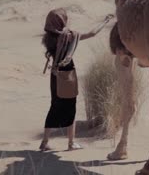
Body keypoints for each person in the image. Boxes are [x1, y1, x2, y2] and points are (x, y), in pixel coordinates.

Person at [40, 8, 114, 151]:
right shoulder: (69, 36)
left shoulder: (49, 37)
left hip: (55, 74)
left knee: (54, 106)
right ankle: (71, 143)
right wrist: (105, 21)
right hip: (67, 74)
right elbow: (92, 33)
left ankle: (44, 142)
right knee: (70, 108)